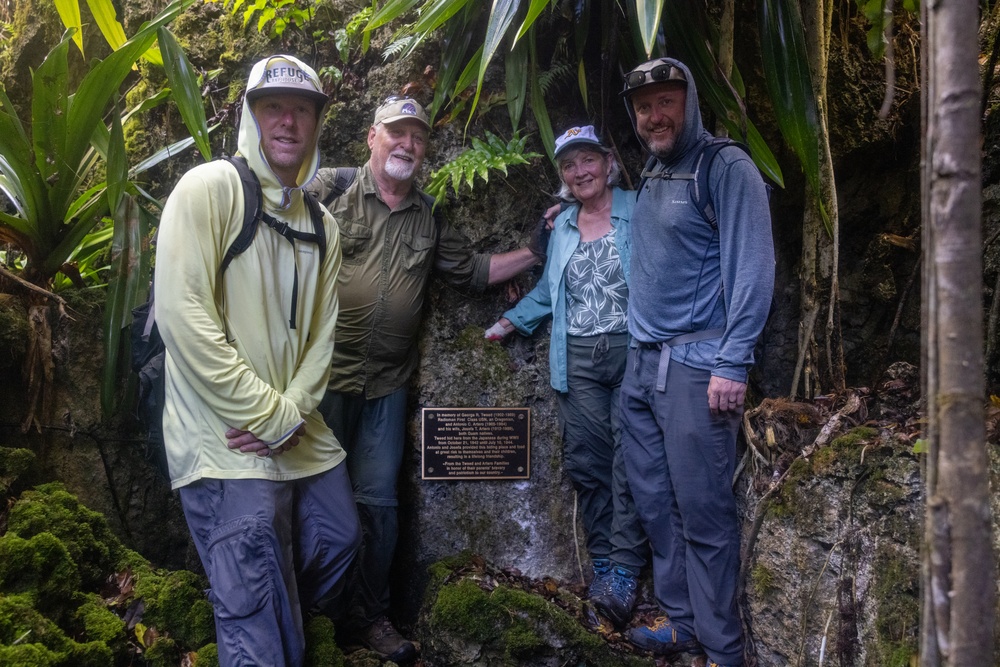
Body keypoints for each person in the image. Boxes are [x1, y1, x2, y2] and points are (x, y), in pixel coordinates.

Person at [306, 96, 544, 661]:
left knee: (379, 506)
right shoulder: (330, 192)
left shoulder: (430, 216)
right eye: (397, 133)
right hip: (319, 381)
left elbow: (474, 272)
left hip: (386, 388)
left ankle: (369, 617)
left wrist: (534, 252)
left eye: (417, 137)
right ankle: (308, 610)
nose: (408, 144)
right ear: (372, 138)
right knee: (307, 498)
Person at [154, 54, 360, 666]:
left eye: (302, 110)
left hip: (295, 429)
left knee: (341, 535)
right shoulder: (210, 189)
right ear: (251, 115)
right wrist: (266, 417)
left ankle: (283, 613)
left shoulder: (322, 224)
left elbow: (323, 334)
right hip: (226, 435)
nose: (289, 122)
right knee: (253, 576)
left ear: (318, 122)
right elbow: (181, 315)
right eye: (274, 108)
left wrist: (289, 414)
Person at [617, 57, 774, 667]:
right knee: (656, 504)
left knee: (704, 512)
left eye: (666, 102)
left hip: (696, 368)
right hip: (642, 366)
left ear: (690, 104)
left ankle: (722, 649)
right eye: (643, 106)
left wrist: (732, 363)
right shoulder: (656, 169)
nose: (654, 116)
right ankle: (681, 624)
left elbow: (754, 270)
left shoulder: (725, 168)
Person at [484, 125, 648, 629]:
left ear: (608, 162)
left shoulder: (639, 209)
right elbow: (551, 293)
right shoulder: (563, 227)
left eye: (588, 160)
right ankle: (602, 564)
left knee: (631, 460)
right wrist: (511, 321)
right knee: (588, 461)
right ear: (563, 176)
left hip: (633, 350)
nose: (581, 172)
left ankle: (625, 569)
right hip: (576, 355)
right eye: (570, 165)